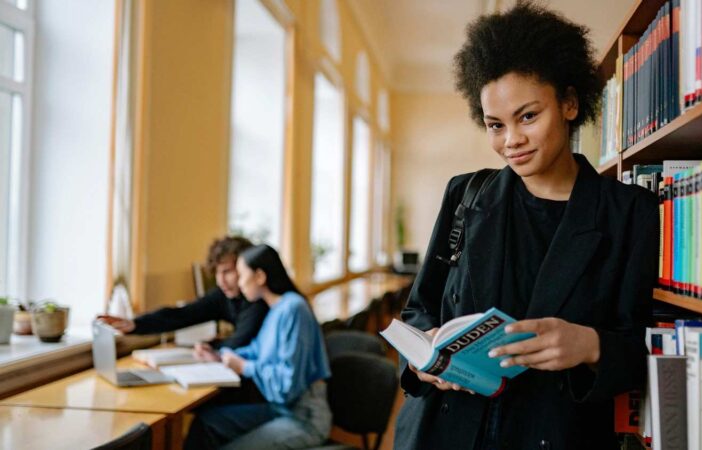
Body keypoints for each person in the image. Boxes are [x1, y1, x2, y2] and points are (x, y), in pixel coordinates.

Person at [395, 3, 659, 449]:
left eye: (528, 116)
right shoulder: (466, 194)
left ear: (570, 104)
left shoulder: (629, 212)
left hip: (555, 433)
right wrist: (425, 354)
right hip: (447, 430)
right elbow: (419, 309)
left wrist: (591, 345)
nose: (511, 141)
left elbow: (641, 348)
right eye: (495, 125)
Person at [184, 244, 331, 450]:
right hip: (279, 409)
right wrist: (218, 356)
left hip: (304, 418)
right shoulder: (276, 310)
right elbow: (256, 350)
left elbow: (286, 386)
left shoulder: (293, 309)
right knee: (206, 422)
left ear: (260, 277)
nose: (240, 283)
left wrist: (244, 367)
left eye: (242, 275)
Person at [97, 236, 268, 350]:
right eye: (217, 272)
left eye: (227, 272)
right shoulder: (224, 296)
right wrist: (135, 324)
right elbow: (183, 314)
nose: (220, 281)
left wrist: (212, 346)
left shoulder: (259, 299)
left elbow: (240, 341)